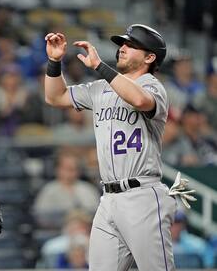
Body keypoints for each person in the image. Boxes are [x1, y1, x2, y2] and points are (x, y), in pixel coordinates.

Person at [44, 24, 179, 270]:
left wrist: (98, 67)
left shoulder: (153, 86)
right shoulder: (101, 88)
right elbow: (55, 97)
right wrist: (54, 62)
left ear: (150, 57)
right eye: (122, 44)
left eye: (131, 45)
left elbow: (138, 99)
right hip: (108, 199)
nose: (123, 48)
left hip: (142, 196)